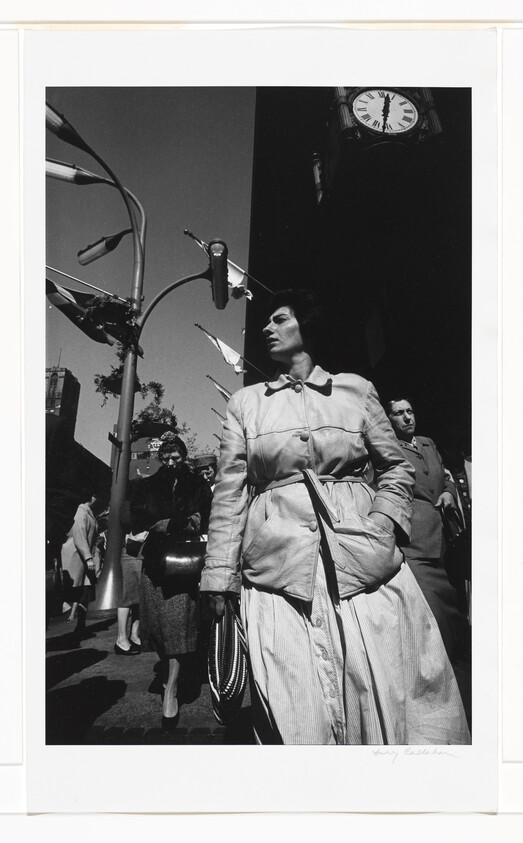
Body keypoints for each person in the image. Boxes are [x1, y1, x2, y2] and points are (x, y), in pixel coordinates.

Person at [200, 289, 470, 745]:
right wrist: (219, 577)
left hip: (364, 563)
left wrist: (383, 523)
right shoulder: (246, 403)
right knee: (297, 705)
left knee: (395, 691)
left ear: (307, 327)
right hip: (277, 569)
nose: (267, 328)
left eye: (279, 319)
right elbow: (230, 490)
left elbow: (395, 466)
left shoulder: (357, 391)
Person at [130, 432, 212, 728]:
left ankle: (172, 688)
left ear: (183, 456)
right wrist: (160, 523)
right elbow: (137, 518)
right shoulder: (147, 485)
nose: (172, 460)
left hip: (183, 564)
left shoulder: (197, 485)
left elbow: (208, 515)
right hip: (153, 563)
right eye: (166, 456)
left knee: (178, 625)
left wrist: (180, 522)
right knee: (158, 628)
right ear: (160, 458)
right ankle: (166, 670)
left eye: (176, 456)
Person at [385, 398, 465, 657]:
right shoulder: (388, 450)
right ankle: (442, 665)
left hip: (443, 532)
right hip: (414, 539)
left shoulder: (428, 443)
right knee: (431, 606)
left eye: (410, 411)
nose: (407, 417)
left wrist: (449, 493)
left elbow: (446, 477)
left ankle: (460, 662)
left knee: (454, 603)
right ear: (388, 420)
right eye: (399, 413)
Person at [60, 487, 102, 639]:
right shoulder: (81, 512)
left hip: (84, 559)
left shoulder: (87, 513)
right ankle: (76, 621)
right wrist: (88, 557)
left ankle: (81, 625)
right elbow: (80, 536)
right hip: (77, 558)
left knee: (85, 592)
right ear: (91, 496)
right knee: (75, 591)